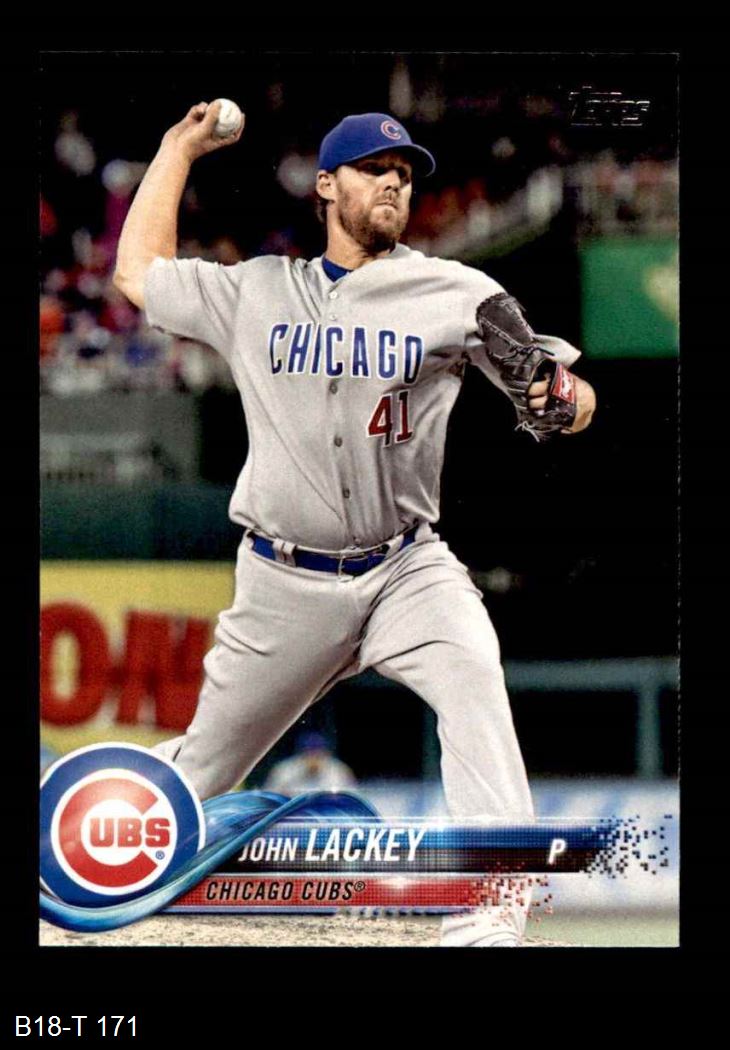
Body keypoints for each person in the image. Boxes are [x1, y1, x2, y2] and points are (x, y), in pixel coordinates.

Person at [113, 102, 596, 947]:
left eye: (404, 174)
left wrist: (557, 397)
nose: (395, 185)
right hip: (283, 584)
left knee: (473, 672)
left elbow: (569, 398)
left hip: (405, 568)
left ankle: (495, 911)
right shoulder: (257, 290)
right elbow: (138, 273)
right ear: (328, 185)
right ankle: (90, 843)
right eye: (376, 170)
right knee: (199, 773)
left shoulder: (458, 292)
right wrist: (175, 148)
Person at [263, 731, 357, 795]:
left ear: (326, 753)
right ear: (301, 754)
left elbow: (353, 799)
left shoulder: (338, 771)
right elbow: (269, 798)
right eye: (310, 753)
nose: (313, 758)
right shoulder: (284, 770)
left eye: (318, 754)